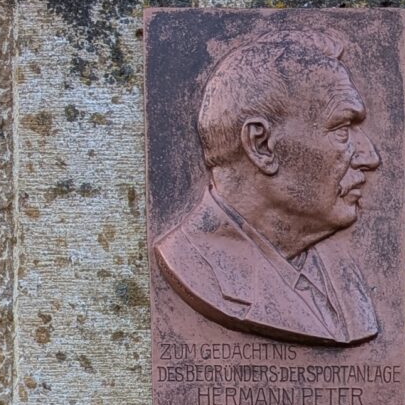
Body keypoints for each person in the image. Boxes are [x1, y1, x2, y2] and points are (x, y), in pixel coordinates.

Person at [154, 33, 383, 347]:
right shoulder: (193, 265)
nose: (370, 157)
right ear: (261, 145)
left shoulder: (344, 272)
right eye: (342, 129)